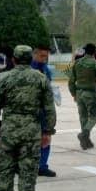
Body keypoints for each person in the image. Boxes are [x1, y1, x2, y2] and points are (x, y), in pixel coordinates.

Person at [0, 45, 56, 191]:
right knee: (28, 172)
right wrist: (48, 131)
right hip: (31, 132)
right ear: (29, 59)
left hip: (8, 132)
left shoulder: (5, 78)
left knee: (5, 171)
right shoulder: (40, 79)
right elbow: (49, 109)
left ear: (14, 60)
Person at [68, 43, 96, 150]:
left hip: (79, 93)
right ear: (94, 52)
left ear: (85, 51)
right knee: (94, 118)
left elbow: (71, 81)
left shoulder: (77, 63)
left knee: (83, 117)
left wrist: (73, 94)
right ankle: (84, 134)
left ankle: (86, 141)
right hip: (90, 94)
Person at [31, 46, 57, 177]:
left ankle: (42, 166)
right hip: (30, 110)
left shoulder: (45, 69)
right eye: (42, 56)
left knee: (46, 137)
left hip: (43, 109)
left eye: (46, 56)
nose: (44, 59)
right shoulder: (29, 69)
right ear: (34, 55)